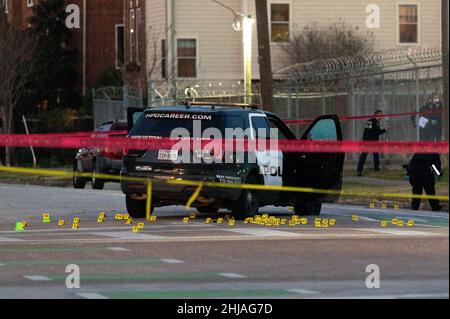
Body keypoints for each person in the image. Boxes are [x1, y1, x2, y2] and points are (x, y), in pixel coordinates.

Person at [357, 110, 387, 176]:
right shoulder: (371, 121)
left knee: (375, 154)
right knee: (364, 155)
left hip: (372, 141)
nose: (381, 116)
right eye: (380, 115)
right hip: (368, 141)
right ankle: (359, 171)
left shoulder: (376, 122)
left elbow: (376, 132)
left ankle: (376, 168)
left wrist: (384, 130)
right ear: (376, 114)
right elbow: (369, 132)